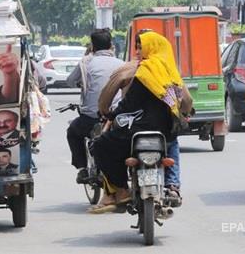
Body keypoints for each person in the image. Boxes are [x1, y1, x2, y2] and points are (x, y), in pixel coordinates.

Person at [90, 31, 185, 213]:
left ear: (151, 48)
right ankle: (173, 186)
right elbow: (182, 100)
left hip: (142, 127)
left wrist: (111, 115)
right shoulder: (171, 71)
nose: (138, 51)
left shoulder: (144, 70)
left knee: (100, 145)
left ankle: (121, 188)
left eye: (141, 47)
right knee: (173, 144)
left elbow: (129, 102)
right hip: (166, 129)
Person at [65, 29, 124, 184]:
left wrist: (81, 83)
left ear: (92, 46)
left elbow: (70, 81)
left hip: (91, 117)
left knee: (72, 132)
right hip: (116, 116)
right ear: (111, 45)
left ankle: (82, 168)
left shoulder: (86, 63)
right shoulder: (122, 65)